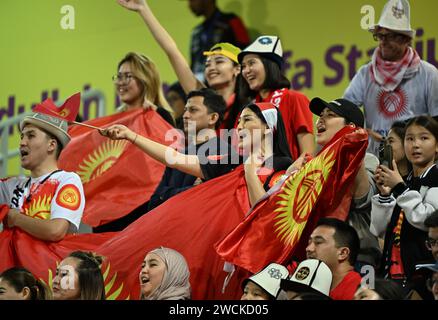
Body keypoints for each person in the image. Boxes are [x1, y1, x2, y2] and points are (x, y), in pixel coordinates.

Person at [117, 0, 247, 130]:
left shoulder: (251, 103)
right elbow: (172, 51)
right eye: (207, 64)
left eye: (219, 61)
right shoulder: (203, 100)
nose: (211, 67)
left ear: (237, 68)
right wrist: (143, 9)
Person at [344, 0, 438, 156]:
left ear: (406, 40)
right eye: (380, 36)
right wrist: (362, 132)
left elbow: (436, 123)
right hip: (375, 161)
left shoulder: (429, 74)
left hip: (415, 163)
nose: (383, 42)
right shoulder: (365, 73)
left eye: (390, 36)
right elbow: (345, 110)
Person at [306, 97, 381, 270]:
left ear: (351, 127)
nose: (321, 120)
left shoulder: (368, 160)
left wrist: (353, 147)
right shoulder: (312, 165)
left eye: (330, 115)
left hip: (358, 259)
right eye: (320, 115)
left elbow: (363, 198)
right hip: (316, 258)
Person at [371, 115, 438, 294]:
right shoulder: (405, 180)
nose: (415, 144)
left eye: (424, 138)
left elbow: (426, 219)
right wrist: (385, 196)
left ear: (437, 145)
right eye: (409, 138)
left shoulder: (435, 178)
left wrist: (400, 188)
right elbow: (379, 230)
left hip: (424, 277)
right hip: (393, 273)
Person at [0, 111, 85, 241]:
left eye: (31, 136)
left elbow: (56, 230)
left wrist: (16, 218)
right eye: (22, 136)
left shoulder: (67, 180)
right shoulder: (10, 185)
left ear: (51, 145)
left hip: (49, 261)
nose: (22, 142)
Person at [147, 88, 228, 210]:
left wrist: (168, 193)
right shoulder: (177, 154)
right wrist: (189, 190)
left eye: (193, 110)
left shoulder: (224, 154)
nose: (185, 116)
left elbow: (209, 201)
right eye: (185, 110)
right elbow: (153, 202)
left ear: (213, 118)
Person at [238, 35, 315, 159]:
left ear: (269, 65)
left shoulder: (294, 98)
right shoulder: (247, 109)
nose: (246, 70)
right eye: (243, 66)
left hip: (286, 175)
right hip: (251, 174)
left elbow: (308, 154)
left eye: (251, 63)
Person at [238, 102, 292, 206]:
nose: (239, 127)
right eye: (239, 121)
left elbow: (267, 214)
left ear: (267, 127)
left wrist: (250, 172)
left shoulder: (282, 166)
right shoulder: (236, 166)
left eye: (247, 119)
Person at [182, 0, 250, 80]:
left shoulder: (231, 21)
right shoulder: (196, 31)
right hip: (198, 84)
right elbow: (193, 64)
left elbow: (245, 53)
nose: (189, 5)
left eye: (192, 0)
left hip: (226, 82)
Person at [306, 218, 362, 300]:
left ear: (343, 253)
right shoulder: (309, 282)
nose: (308, 249)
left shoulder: (359, 292)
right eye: (309, 242)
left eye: (318, 242)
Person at [114, 51, 175, 126]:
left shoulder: (161, 116)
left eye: (128, 76)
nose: (121, 83)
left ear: (145, 81)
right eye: (119, 77)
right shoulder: (115, 121)